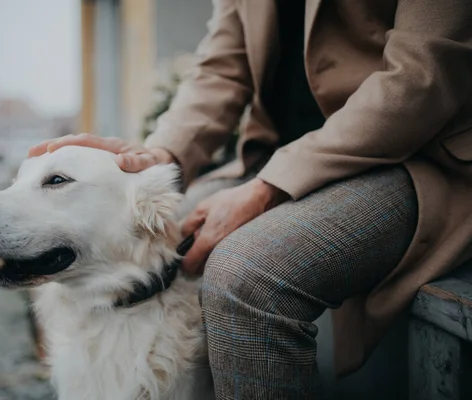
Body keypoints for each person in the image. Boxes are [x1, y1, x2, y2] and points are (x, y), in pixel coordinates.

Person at [29, 0, 472, 398]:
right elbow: (221, 70)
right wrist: (157, 156)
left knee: (245, 274)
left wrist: (267, 189)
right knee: (138, 232)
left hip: (416, 161)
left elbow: (420, 79)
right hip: (271, 157)